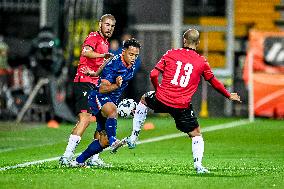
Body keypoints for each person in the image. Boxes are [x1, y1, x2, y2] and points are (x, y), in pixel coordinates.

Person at [117, 29, 241, 174]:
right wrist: (228, 95)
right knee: (196, 134)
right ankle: (199, 166)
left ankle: (134, 137)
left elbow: (153, 74)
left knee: (144, 99)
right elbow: (213, 82)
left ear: (184, 40)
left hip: (162, 98)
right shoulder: (202, 62)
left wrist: (158, 89)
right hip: (182, 105)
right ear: (198, 43)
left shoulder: (171, 53)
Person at [69, 38, 141, 167]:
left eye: (136, 55)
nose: (134, 57)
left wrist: (95, 73)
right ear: (123, 52)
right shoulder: (115, 65)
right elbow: (102, 89)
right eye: (131, 54)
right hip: (98, 97)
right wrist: (116, 86)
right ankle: (113, 140)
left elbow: (102, 67)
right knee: (112, 110)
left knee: (103, 141)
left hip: (109, 99)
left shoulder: (131, 65)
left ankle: (78, 161)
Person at [59, 14, 116, 167]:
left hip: (95, 85)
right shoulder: (93, 37)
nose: (109, 28)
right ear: (100, 24)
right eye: (107, 24)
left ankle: (94, 157)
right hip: (84, 82)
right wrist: (103, 55)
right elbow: (86, 52)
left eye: (112, 26)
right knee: (85, 119)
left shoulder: (105, 42)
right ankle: (66, 156)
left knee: (102, 123)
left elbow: (99, 65)